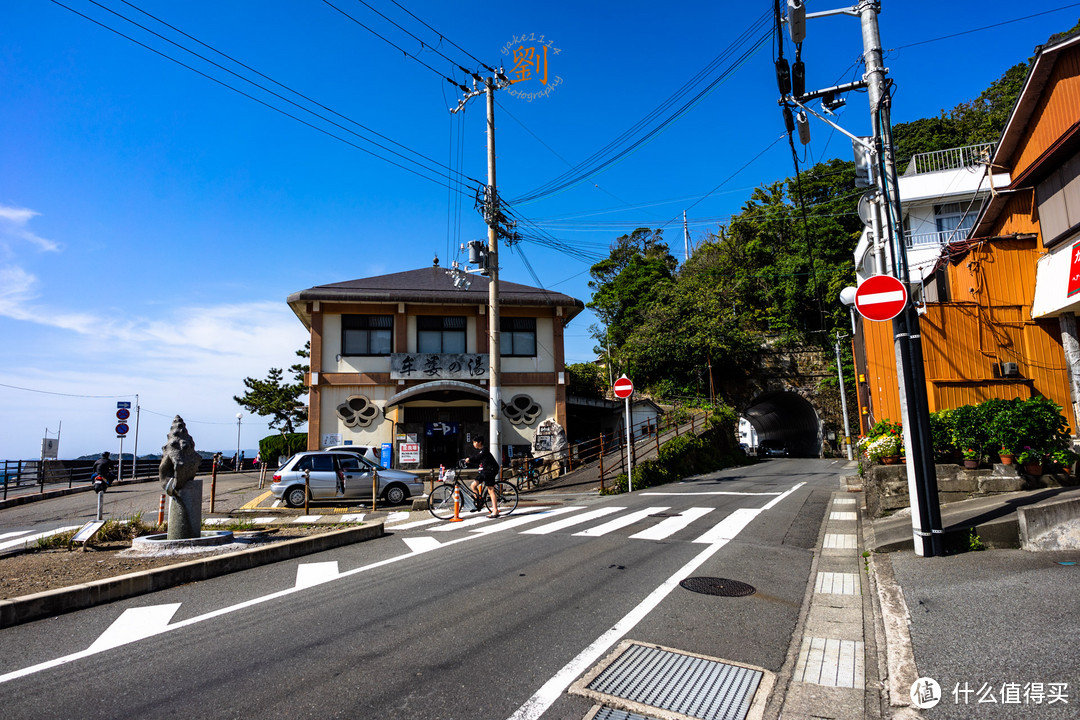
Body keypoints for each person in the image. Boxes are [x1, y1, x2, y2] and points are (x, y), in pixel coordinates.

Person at [464, 437, 500, 518]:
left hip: (491, 470)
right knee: (473, 485)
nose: (473, 444)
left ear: (480, 442)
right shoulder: (481, 451)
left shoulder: (485, 450)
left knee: (490, 490)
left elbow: (478, 457)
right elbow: (478, 458)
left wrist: (469, 459)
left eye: (475, 442)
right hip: (485, 471)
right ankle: (479, 503)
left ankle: (495, 510)